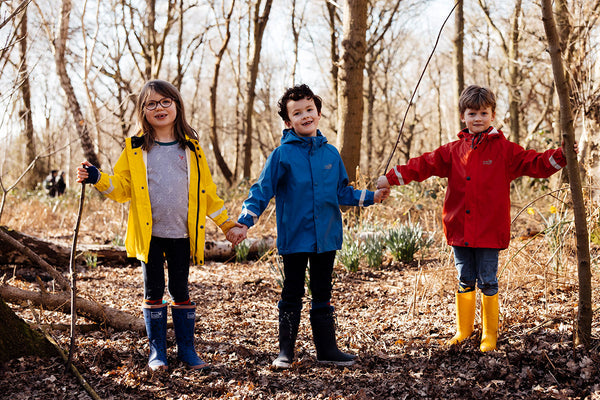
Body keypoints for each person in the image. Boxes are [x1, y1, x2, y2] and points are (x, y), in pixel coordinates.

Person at [377, 85, 576, 352]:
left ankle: (489, 335)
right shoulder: (452, 150)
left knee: (488, 280)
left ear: (493, 115)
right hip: (460, 229)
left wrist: (563, 154)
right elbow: (422, 165)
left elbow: (536, 163)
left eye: (483, 113)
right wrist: (390, 178)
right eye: (472, 113)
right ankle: (464, 330)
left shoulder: (505, 151)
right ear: (463, 116)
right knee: (464, 278)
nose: (478, 118)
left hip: (489, 231)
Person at [77, 79, 241, 371]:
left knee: (181, 290)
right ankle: (158, 353)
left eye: (166, 101)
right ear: (143, 111)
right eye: (151, 103)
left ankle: (187, 352)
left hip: (181, 234)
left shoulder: (192, 148)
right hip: (149, 235)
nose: (159, 108)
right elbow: (122, 187)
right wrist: (97, 178)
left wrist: (227, 224)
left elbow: (208, 193)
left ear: (177, 105)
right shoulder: (136, 148)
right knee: (153, 291)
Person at [227, 84, 390, 369]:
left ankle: (327, 350)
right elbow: (261, 191)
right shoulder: (282, 156)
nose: (305, 116)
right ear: (288, 122)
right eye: (297, 112)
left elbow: (343, 192)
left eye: (309, 110)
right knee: (292, 292)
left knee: (322, 292)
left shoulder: (331, 155)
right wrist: (243, 223)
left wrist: (372, 197)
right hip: (295, 238)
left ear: (318, 113)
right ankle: (285, 352)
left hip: (326, 237)